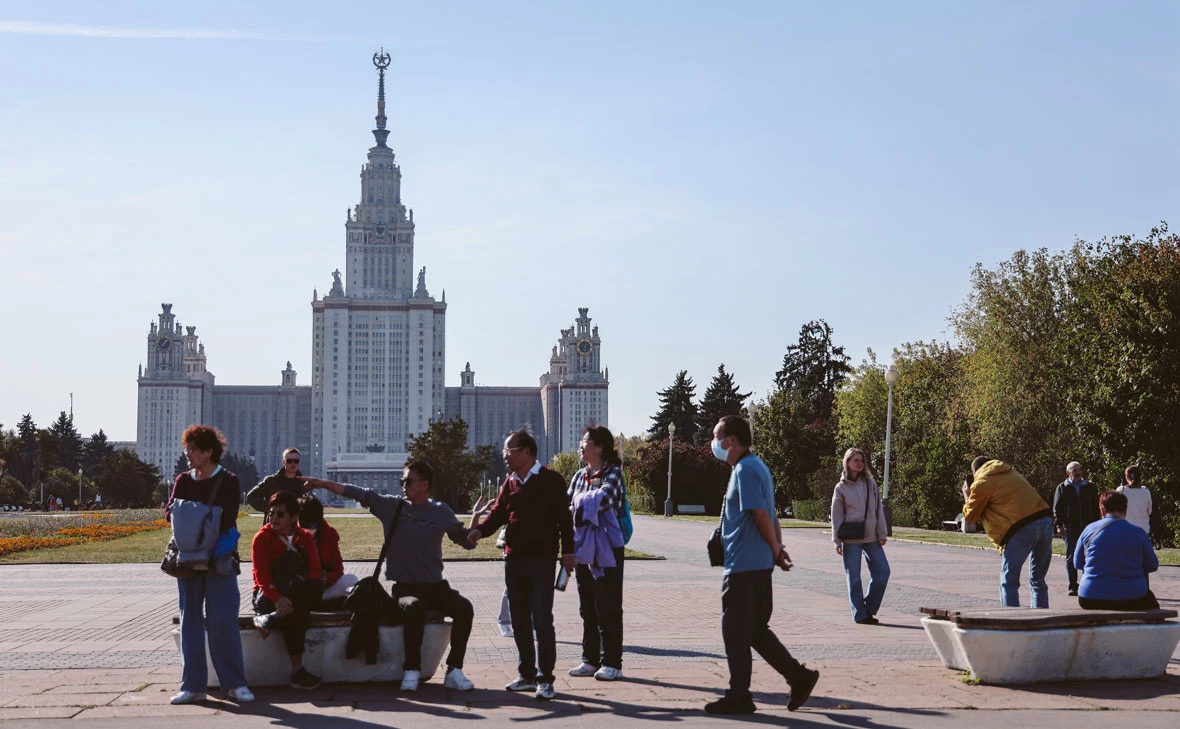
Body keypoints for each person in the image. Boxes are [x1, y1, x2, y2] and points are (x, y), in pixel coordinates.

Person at [306, 460, 477, 692]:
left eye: (408, 481)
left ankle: (454, 670)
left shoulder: (440, 512)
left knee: (464, 608)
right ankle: (412, 670)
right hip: (405, 588)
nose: (403, 485)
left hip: (436, 587)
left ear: (425, 484)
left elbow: (465, 542)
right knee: (414, 608)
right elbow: (357, 493)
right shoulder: (392, 507)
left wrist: (476, 525)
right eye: (402, 481)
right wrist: (322, 483)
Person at [706, 415, 818, 715]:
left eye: (716, 437)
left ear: (731, 440)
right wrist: (777, 550)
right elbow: (771, 515)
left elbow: (760, 514)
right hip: (755, 563)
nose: (713, 443)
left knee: (734, 631)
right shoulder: (756, 467)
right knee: (754, 630)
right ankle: (799, 677)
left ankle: (739, 696)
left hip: (744, 565)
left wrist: (775, 549)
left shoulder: (745, 469)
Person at [468, 429, 576, 702]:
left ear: (526, 452)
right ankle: (526, 674)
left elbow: (565, 520)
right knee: (519, 620)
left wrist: (568, 553)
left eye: (509, 450)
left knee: (542, 619)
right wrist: (479, 531)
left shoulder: (551, 480)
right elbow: (498, 516)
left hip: (541, 560)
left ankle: (545, 679)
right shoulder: (510, 483)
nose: (505, 455)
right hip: (513, 559)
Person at [166, 425, 254, 705]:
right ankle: (192, 686)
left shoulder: (228, 480)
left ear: (208, 452)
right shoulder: (182, 480)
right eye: (186, 448)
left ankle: (235, 684)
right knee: (190, 621)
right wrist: (197, 516)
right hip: (188, 559)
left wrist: (191, 515)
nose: (187, 454)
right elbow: (170, 511)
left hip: (219, 558)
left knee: (222, 621)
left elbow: (226, 519)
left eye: (192, 449)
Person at [566, 426, 627, 681]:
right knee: (587, 607)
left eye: (586, 442)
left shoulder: (613, 473)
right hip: (583, 547)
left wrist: (579, 504)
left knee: (609, 606)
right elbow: (566, 505)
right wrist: (581, 503)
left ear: (600, 447)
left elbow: (604, 501)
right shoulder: (580, 475)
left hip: (607, 549)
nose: (581, 446)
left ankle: (612, 662)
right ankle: (589, 659)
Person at [250, 491, 324, 690]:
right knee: (297, 615)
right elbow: (261, 576)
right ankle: (297, 671)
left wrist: (297, 588)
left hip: (294, 594)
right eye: (271, 513)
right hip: (268, 596)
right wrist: (278, 598)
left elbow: (315, 570)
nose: (273, 518)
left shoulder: (305, 538)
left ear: (294, 518)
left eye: (280, 514)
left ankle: (271, 619)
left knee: (312, 589)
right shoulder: (262, 538)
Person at [962, 456, 1054, 608]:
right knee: (1037, 579)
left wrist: (967, 494)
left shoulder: (982, 482)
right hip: (1045, 521)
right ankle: (1041, 618)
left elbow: (971, 516)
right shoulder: (1010, 472)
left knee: (1009, 581)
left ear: (975, 471)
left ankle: (1011, 619)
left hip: (1020, 529)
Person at [830, 447, 890, 625]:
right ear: (847, 462)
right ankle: (860, 615)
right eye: (856, 460)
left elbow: (878, 510)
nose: (859, 463)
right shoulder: (840, 488)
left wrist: (882, 532)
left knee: (883, 573)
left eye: (862, 461)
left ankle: (869, 607)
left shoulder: (870, 483)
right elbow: (836, 515)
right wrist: (836, 540)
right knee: (854, 577)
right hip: (851, 538)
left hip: (871, 536)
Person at [1073, 491, 1159, 610]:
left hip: (1090, 596)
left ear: (1102, 510)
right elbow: (1152, 565)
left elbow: (1077, 563)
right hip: (1132, 596)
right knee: (1151, 604)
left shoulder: (1088, 530)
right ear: (1125, 510)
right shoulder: (1138, 533)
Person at [297, 494, 358, 607]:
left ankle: (317, 601)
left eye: (313, 527)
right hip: (302, 585)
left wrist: (326, 580)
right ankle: (324, 602)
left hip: (322, 585)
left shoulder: (329, 535)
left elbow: (338, 569)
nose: (309, 531)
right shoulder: (289, 535)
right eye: (306, 526)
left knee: (352, 580)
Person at [1052, 461, 1100, 596]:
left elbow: (1095, 507)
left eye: (1079, 470)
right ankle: (1073, 585)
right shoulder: (1062, 488)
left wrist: (1097, 525)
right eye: (1074, 470)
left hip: (1088, 526)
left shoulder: (1089, 487)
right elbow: (1057, 508)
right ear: (1068, 473)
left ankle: (1087, 583)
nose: (1078, 473)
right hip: (1070, 527)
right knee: (1071, 556)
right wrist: (1059, 525)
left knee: (1089, 555)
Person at [247, 447, 305, 514]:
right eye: (289, 461)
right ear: (283, 462)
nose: (293, 463)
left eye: (296, 461)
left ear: (299, 462)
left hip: (295, 522)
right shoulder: (271, 481)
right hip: (274, 522)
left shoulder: (304, 483)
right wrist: (271, 508)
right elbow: (251, 496)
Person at [1116, 465, 1152, 537]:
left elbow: (1115, 510)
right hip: (1143, 530)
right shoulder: (1146, 491)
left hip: (1125, 530)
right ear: (1140, 476)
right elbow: (1149, 511)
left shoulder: (1121, 490)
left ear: (1126, 477)